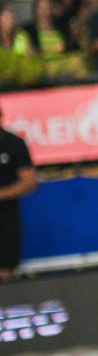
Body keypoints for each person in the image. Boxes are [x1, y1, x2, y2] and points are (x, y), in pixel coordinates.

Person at [0, 104, 37, 282]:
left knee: (6, 270)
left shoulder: (14, 144)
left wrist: (2, 194)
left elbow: (29, 181)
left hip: (6, 216)